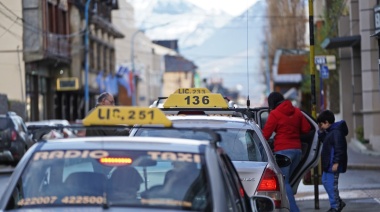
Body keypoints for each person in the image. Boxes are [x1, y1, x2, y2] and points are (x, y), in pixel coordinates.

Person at [262, 92, 311, 212]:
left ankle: (293, 209)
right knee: (288, 181)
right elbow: (306, 128)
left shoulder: (275, 114)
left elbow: (265, 135)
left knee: (284, 182)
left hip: (283, 152)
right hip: (297, 151)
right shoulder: (297, 111)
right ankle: (287, 205)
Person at [317, 110, 348, 212]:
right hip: (328, 164)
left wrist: (336, 162)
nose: (320, 126)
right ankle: (338, 202)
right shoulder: (331, 131)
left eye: (321, 124)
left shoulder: (336, 132)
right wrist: (321, 132)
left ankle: (336, 206)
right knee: (325, 182)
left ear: (326, 122)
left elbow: (340, 148)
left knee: (331, 185)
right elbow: (325, 141)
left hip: (332, 164)